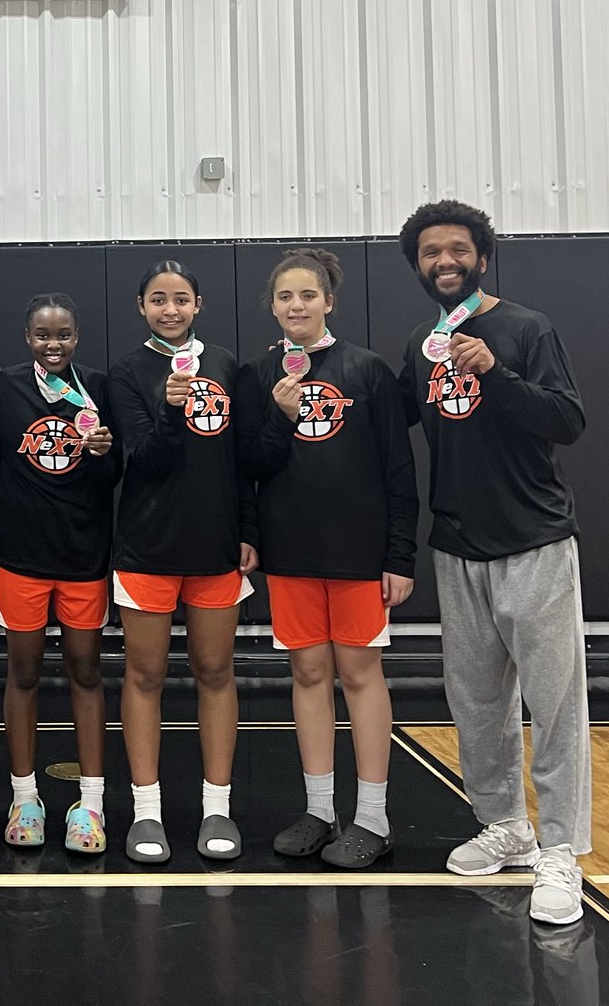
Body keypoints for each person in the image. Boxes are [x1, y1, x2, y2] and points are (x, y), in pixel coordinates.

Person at [396, 200, 590, 926]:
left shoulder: (525, 327)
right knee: (477, 706)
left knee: (555, 705)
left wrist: (498, 373)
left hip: (535, 542)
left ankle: (563, 851)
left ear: (482, 256)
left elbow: (568, 420)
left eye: (456, 251)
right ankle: (506, 824)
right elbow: (390, 421)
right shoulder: (422, 340)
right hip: (458, 547)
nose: (444, 263)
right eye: (430, 255)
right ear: (417, 267)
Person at [238, 250, 417, 869]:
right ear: (274, 305)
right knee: (309, 675)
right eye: (285, 297)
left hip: (358, 555)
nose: (296, 306)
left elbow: (398, 467)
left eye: (307, 295)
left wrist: (399, 554)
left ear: (329, 301)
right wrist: (283, 419)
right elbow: (253, 467)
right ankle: (320, 810)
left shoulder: (366, 371)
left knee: (361, 676)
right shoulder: (261, 376)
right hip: (290, 555)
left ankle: (373, 817)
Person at [106, 259, 257, 864]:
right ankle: (147, 812)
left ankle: (216, 807)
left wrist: (247, 528)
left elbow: (242, 459)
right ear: (141, 306)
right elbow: (144, 459)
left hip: (215, 547)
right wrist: (170, 409)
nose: (171, 310)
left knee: (216, 673)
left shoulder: (225, 365)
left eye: (182, 299)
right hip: (148, 548)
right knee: (145, 676)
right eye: (158, 300)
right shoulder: (127, 372)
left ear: (199, 304)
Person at [0, 294, 120, 854]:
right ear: (26, 337)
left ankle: (90, 804)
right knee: (23, 671)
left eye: (62, 334)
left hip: (83, 555)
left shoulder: (99, 389)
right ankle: (25, 798)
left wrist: (104, 452)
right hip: (21, 555)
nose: (53, 344)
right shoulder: (4, 387)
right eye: (42, 335)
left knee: (86, 672)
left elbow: (113, 472)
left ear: (77, 336)